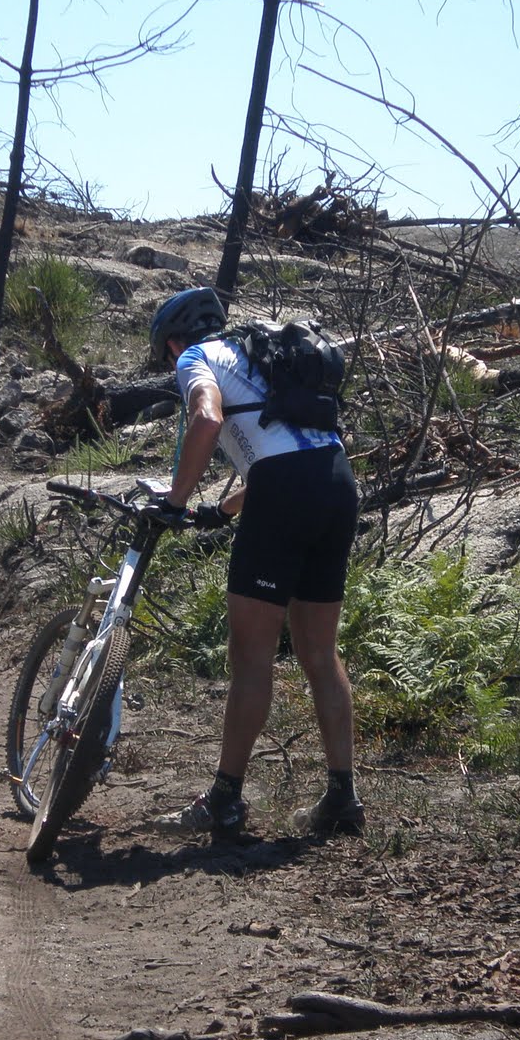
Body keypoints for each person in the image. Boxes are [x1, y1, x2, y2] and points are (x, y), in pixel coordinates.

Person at [146, 287, 364, 838]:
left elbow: (206, 421)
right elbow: (291, 452)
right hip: (337, 483)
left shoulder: (197, 358)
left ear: (172, 344)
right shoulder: (258, 352)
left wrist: (175, 502)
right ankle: (342, 798)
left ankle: (224, 800)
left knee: (251, 656)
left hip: (284, 492)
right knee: (319, 652)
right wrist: (223, 509)